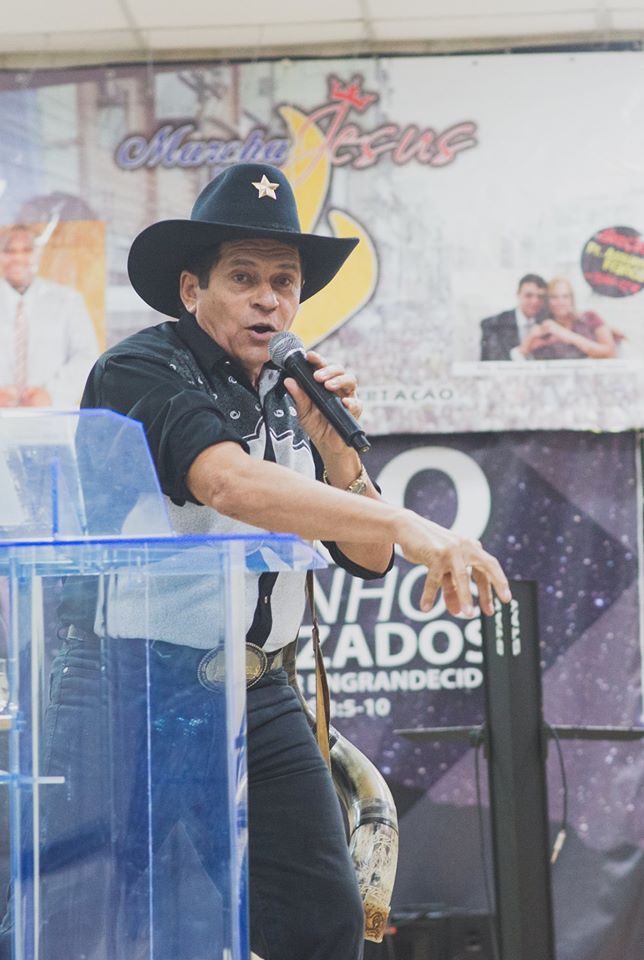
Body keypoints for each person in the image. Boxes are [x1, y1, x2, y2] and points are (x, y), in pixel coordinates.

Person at [2, 163, 511, 960]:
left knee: (321, 921)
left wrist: (337, 449)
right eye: (243, 278)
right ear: (191, 289)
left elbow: (368, 554)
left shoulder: (291, 391)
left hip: (258, 689)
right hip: (128, 688)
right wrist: (411, 521)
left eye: (284, 282)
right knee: (88, 921)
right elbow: (227, 483)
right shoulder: (142, 368)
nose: (267, 299)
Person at [0, 224, 99, 407]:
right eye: (9, 251)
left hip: (52, 412)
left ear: (37, 255)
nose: (18, 258)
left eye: (26, 250)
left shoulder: (68, 300)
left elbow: (86, 355)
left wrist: (53, 393)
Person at [529, 276, 617, 360]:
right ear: (547, 300)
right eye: (554, 297)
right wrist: (532, 340)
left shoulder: (590, 317)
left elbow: (610, 353)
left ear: (572, 299)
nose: (560, 302)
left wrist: (568, 336)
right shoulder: (544, 329)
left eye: (565, 296)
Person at [479, 273, 547, 361]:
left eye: (540, 297)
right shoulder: (494, 324)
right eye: (528, 295)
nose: (535, 301)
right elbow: (493, 361)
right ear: (518, 295)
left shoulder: (546, 323)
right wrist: (526, 345)